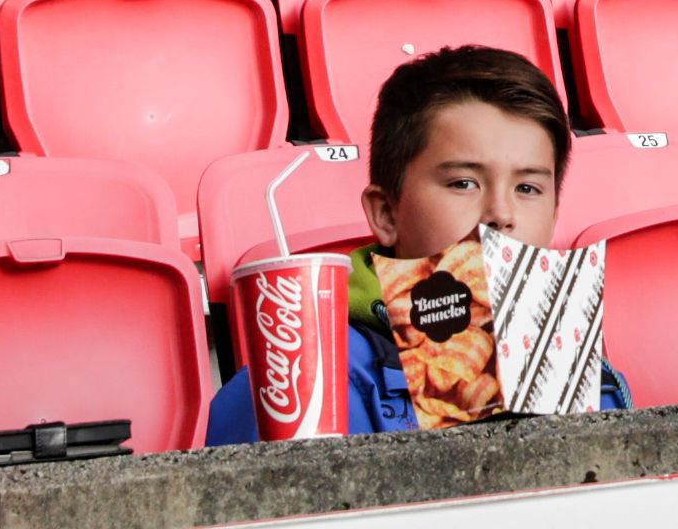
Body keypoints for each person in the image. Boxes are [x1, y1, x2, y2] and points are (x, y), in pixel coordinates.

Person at [203, 46, 626, 442]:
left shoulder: (592, 375)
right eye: (463, 183)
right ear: (386, 213)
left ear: (554, 217)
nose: (501, 213)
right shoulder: (301, 388)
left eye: (528, 188)